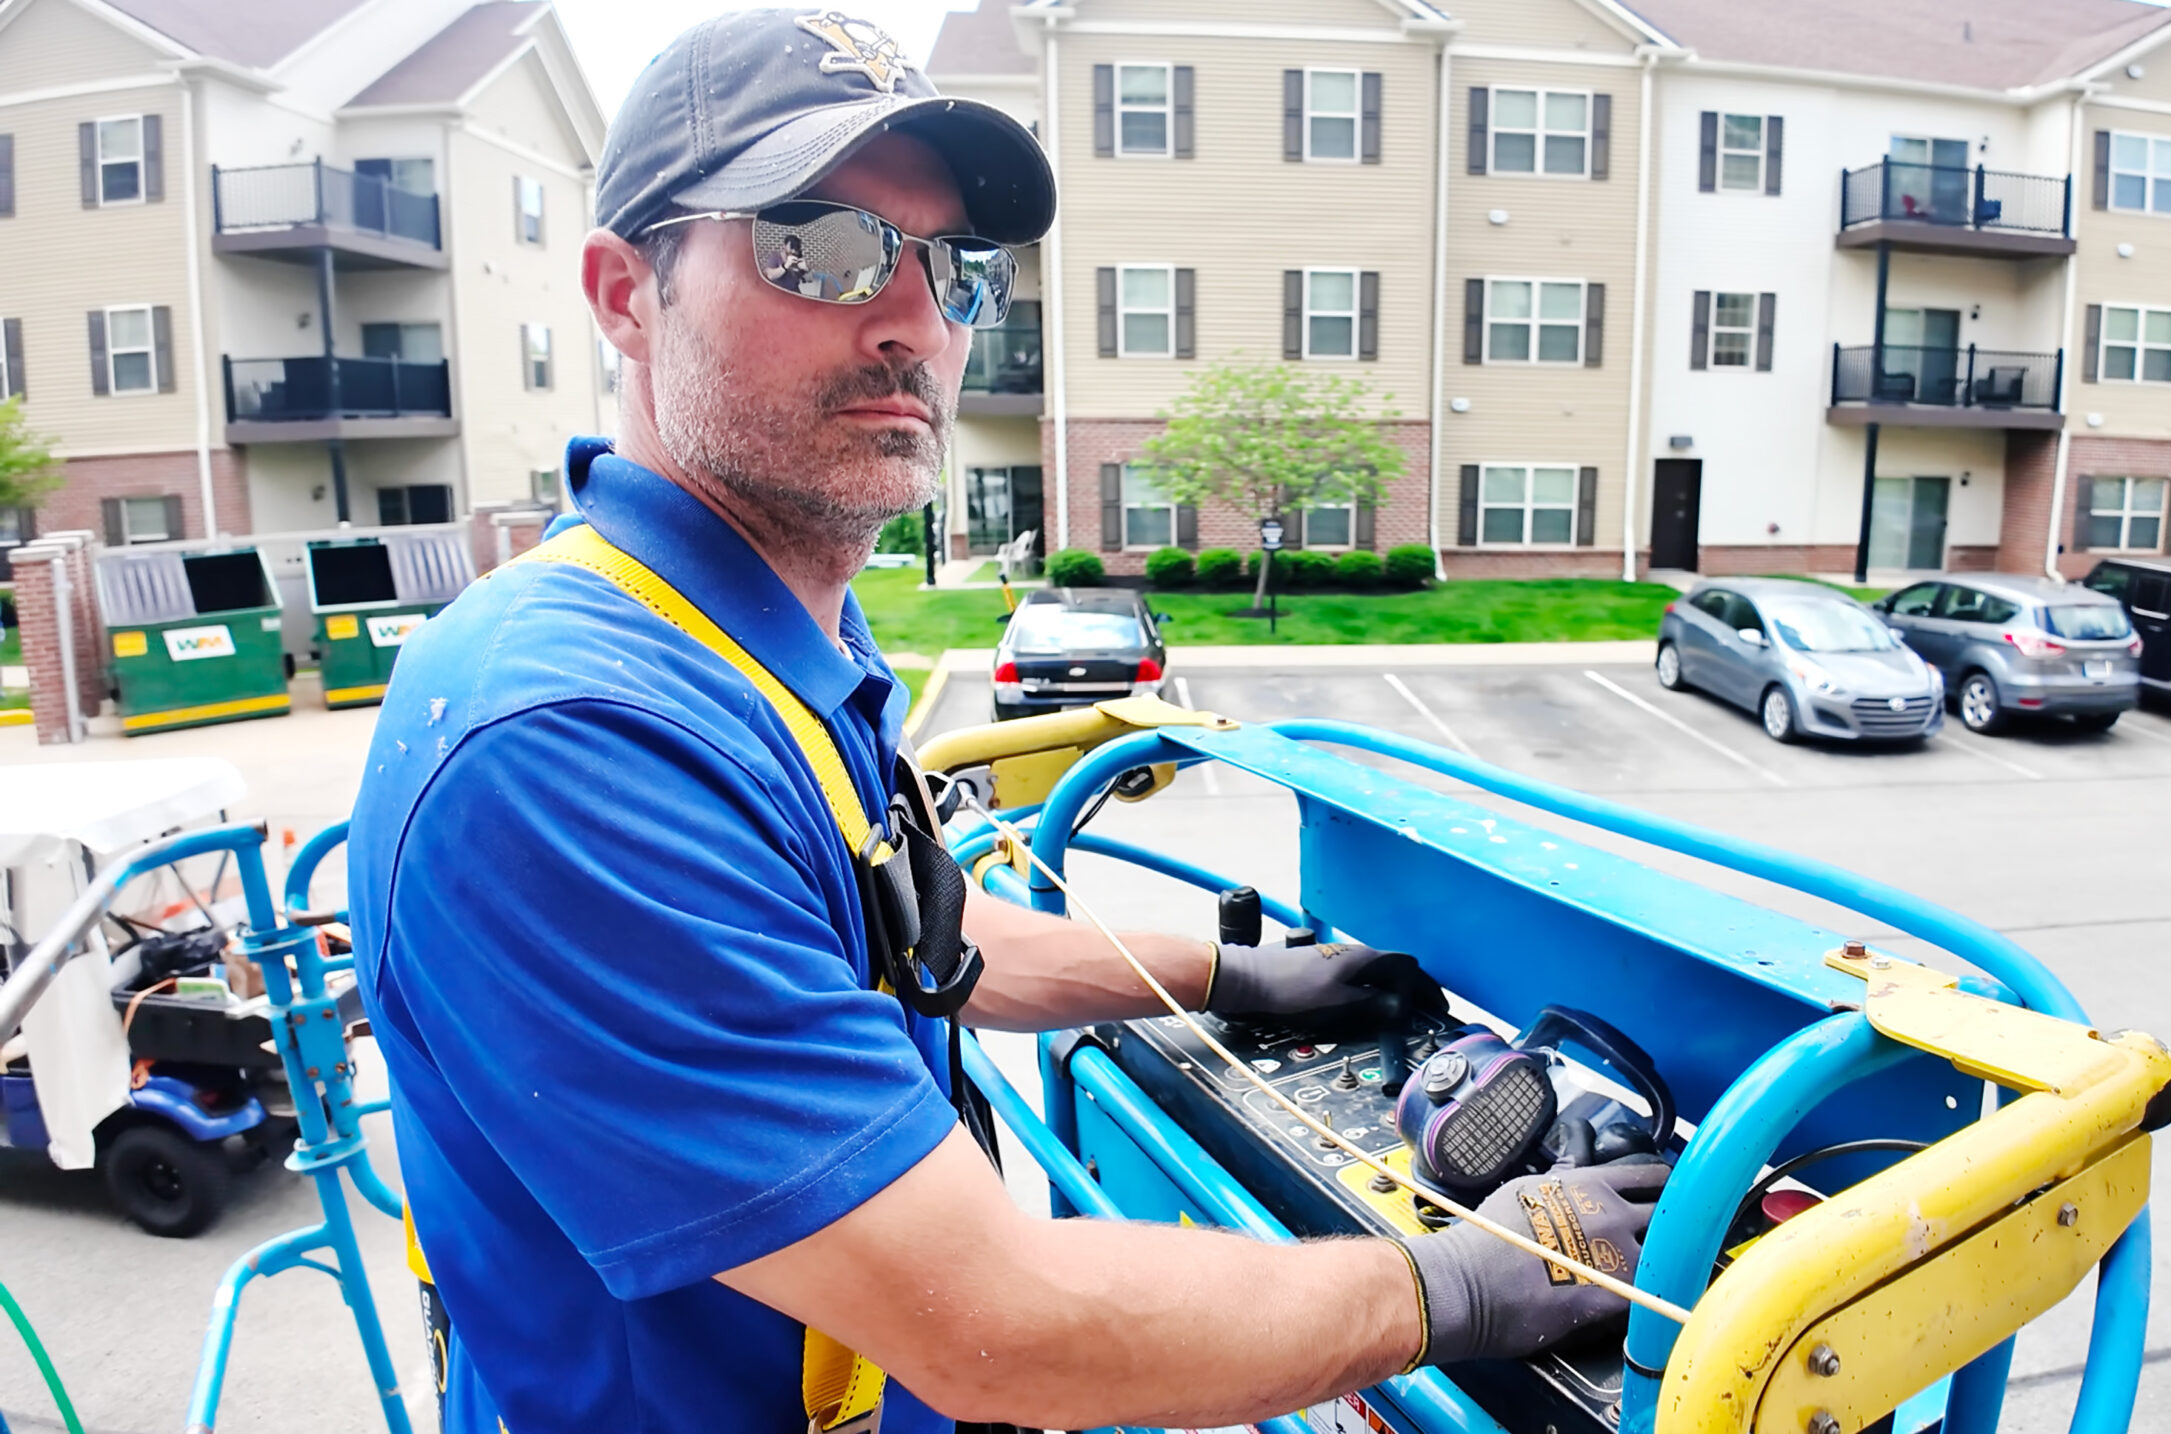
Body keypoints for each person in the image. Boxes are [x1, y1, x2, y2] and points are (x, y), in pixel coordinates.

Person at [346, 10, 1664, 1434]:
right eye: (820, 244)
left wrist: (1232, 975)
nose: (912, 317)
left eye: (955, 265)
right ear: (624, 290)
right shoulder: (568, 743)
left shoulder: (744, 634)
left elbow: (913, 934)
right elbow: (997, 1325)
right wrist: (1469, 1282)